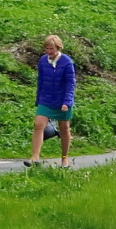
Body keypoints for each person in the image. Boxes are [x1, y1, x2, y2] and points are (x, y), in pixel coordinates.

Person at [28, 35, 76, 167]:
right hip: (46, 99)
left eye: (52, 49)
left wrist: (67, 101)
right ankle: (35, 156)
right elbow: (41, 81)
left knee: (64, 129)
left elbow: (70, 84)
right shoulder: (43, 61)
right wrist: (38, 100)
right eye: (47, 49)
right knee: (38, 125)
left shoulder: (67, 62)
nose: (49, 51)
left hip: (62, 100)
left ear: (58, 48)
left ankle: (64, 157)